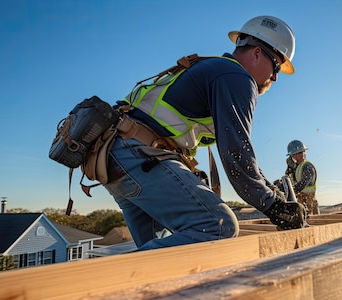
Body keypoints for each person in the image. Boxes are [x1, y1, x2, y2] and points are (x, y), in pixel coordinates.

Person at [103, 16, 306, 251]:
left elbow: (241, 151)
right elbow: (237, 154)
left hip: (118, 159)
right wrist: (273, 206)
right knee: (217, 227)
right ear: (258, 53)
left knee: (159, 255)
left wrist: (273, 192)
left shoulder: (215, 69)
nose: (275, 77)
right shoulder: (237, 77)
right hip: (138, 156)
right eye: (277, 66)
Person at [283, 140, 320, 215]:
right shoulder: (295, 169)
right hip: (300, 206)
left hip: (310, 206)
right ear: (292, 156)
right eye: (299, 152)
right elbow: (289, 182)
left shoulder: (308, 167)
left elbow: (301, 185)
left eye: (303, 151)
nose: (302, 154)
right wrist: (290, 169)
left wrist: (287, 191)